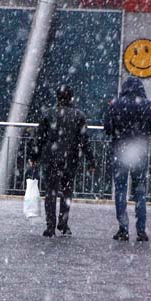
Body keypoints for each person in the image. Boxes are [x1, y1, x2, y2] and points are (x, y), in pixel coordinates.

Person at [29, 85, 95, 237]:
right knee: (66, 191)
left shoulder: (48, 114)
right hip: (70, 159)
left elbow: (39, 138)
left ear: (57, 97)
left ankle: (50, 226)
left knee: (50, 192)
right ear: (71, 97)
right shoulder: (78, 115)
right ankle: (63, 223)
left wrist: (34, 156)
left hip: (51, 158)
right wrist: (90, 160)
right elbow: (84, 140)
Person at [103, 77, 151, 242]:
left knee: (120, 191)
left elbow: (108, 128)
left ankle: (123, 229)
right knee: (140, 192)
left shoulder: (115, 104)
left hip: (120, 152)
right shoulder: (149, 105)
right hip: (140, 153)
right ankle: (141, 230)